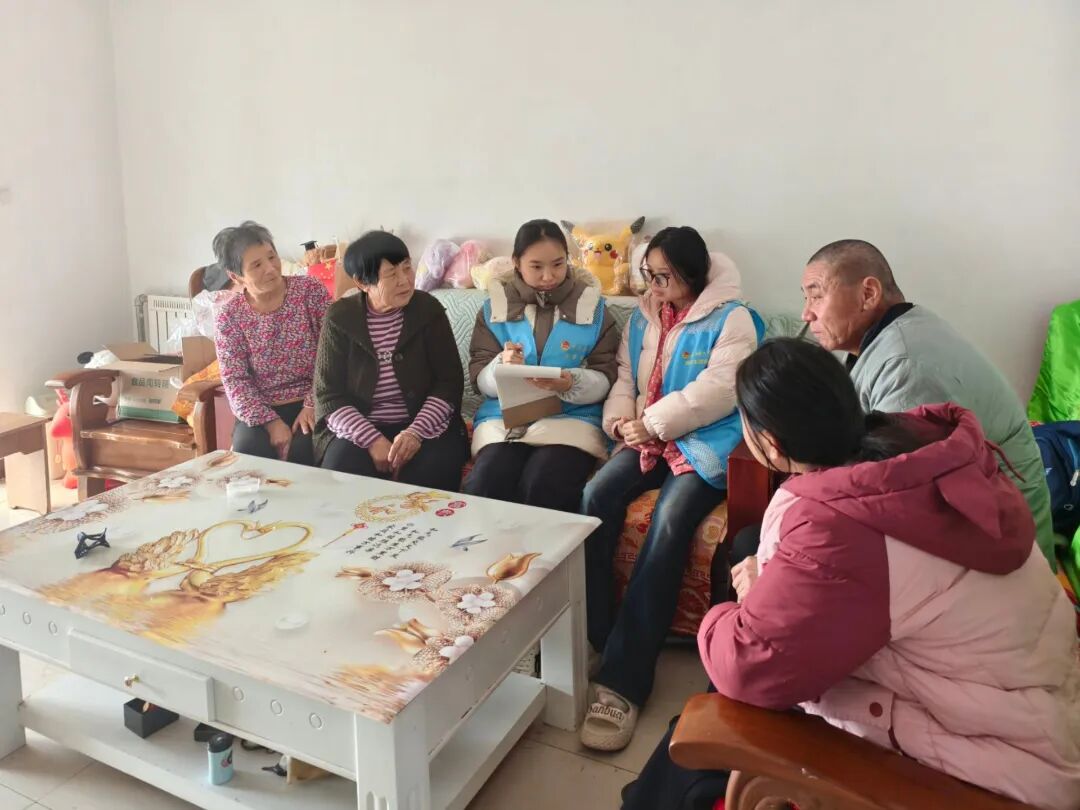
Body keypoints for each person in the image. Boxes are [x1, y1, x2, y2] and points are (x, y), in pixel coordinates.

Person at [625, 338, 1080, 810]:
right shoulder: (920, 451)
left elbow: (747, 667)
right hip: (1036, 701)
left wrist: (728, 611)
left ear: (771, 444)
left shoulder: (834, 524)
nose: (810, 312)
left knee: (705, 725)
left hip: (1002, 766)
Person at [713, 239, 1057, 596]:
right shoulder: (893, 335)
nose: (806, 314)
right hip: (955, 524)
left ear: (868, 293)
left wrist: (776, 562)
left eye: (816, 296)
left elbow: (897, 498)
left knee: (765, 550)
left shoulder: (905, 366)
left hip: (990, 552)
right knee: (761, 539)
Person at [579, 226, 763, 752]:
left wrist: (653, 424)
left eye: (665, 278)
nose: (655, 288)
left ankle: (624, 678)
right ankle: (597, 634)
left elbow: (720, 390)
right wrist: (621, 421)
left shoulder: (733, 318)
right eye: (650, 276)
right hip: (645, 434)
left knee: (670, 521)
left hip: (705, 441)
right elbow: (625, 378)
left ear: (694, 275)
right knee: (594, 498)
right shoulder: (643, 314)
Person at [462, 219, 619, 512]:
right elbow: (479, 378)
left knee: (544, 483)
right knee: (486, 482)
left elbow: (607, 376)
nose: (549, 276)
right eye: (536, 266)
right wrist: (501, 366)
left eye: (558, 264)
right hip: (505, 421)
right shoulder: (494, 308)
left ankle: (548, 546)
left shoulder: (593, 309)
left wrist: (571, 382)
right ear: (516, 262)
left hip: (571, 420)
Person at [313, 231, 468, 489]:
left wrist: (414, 433)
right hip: (360, 427)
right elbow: (328, 395)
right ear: (362, 282)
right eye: (391, 274)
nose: (404, 280)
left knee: (429, 478)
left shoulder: (428, 310)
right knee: (341, 472)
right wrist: (372, 440)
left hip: (425, 427)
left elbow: (449, 383)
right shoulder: (339, 318)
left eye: (407, 268)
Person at [214, 221, 329, 465]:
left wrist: (312, 405)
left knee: (305, 452)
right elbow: (235, 380)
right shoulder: (229, 316)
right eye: (257, 265)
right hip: (260, 409)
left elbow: (332, 355)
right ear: (235, 276)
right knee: (249, 452)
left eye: (272, 257)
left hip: (314, 400)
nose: (270, 269)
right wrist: (271, 422)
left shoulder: (310, 291)